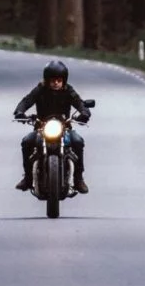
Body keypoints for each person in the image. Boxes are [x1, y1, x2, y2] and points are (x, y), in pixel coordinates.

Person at [14, 59, 91, 194]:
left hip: (64, 128)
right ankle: (27, 177)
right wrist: (20, 112)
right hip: (41, 128)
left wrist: (84, 113)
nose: (56, 83)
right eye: (53, 80)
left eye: (59, 80)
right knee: (26, 142)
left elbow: (79, 103)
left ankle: (78, 179)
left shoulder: (68, 91)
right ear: (47, 80)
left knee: (78, 142)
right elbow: (26, 101)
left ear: (64, 81)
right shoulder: (40, 90)